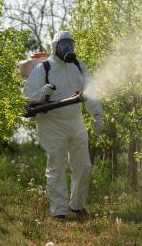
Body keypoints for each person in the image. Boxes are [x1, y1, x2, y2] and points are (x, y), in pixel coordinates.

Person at [23, 31, 103, 220]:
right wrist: (42, 92)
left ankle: (77, 205)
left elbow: (90, 90)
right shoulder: (44, 68)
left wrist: (97, 114)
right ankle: (59, 211)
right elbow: (27, 95)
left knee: (83, 166)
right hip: (52, 123)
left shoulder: (77, 65)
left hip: (76, 121)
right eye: (64, 45)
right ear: (55, 47)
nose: (68, 48)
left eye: (70, 45)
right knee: (57, 166)